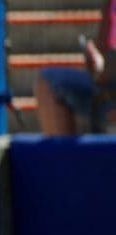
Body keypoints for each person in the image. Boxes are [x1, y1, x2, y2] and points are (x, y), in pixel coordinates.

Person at [35, 0, 116, 135]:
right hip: (105, 88)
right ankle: (63, 155)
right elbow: (103, 56)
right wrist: (95, 60)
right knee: (48, 82)